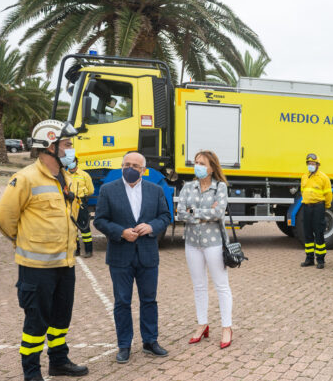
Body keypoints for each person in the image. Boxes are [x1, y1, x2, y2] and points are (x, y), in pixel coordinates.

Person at [0, 120, 88, 381]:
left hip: (65, 264)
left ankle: (58, 362)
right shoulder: (25, 178)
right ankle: (31, 373)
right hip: (37, 267)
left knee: (61, 318)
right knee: (36, 322)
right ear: (50, 146)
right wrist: (20, 240)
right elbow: (3, 217)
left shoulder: (66, 177)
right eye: (67, 144)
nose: (71, 149)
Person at [93, 151, 171, 363]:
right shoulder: (109, 190)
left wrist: (152, 226)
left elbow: (165, 216)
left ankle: (150, 341)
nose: (130, 168)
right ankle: (124, 345)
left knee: (149, 300)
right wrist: (120, 232)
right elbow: (99, 220)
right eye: (126, 164)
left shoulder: (155, 191)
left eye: (135, 166)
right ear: (121, 166)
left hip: (147, 255)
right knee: (122, 302)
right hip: (120, 255)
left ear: (143, 170)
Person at [176, 150, 234, 349]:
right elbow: (180, 213)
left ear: (211, 167)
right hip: (192, 243)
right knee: (198, 285)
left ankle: (227, 327)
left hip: (214, 243)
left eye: (202, 163)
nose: (197, 166)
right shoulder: (188, 187)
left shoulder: (220, 187)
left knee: (221, 285)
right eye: (196, 162)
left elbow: (219, 213)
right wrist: (203, 213)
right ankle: (202, 324)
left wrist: (195, 212)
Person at [299, 153, 332, 269]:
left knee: (319, 233)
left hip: (318, 207)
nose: (311, 165)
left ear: (318, 165)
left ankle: (321, 259)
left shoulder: (323, 178)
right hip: (307, 207)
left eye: (313, 164)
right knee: (307, 233)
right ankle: (309, 258)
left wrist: (325, 206)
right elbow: (302, 191)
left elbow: (328, 194)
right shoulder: (304, 177)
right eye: (309, 164)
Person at [68, 158, 95, 258]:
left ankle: (89, 251)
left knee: (84, 227)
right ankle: (76, 250)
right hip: (69, 203)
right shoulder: (65, 175)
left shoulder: (84, 175)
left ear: (76, 163)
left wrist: (81, 196)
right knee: (72, 227)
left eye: (73, 161)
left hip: (81, 203)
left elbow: (91, 190)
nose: (71, 164)